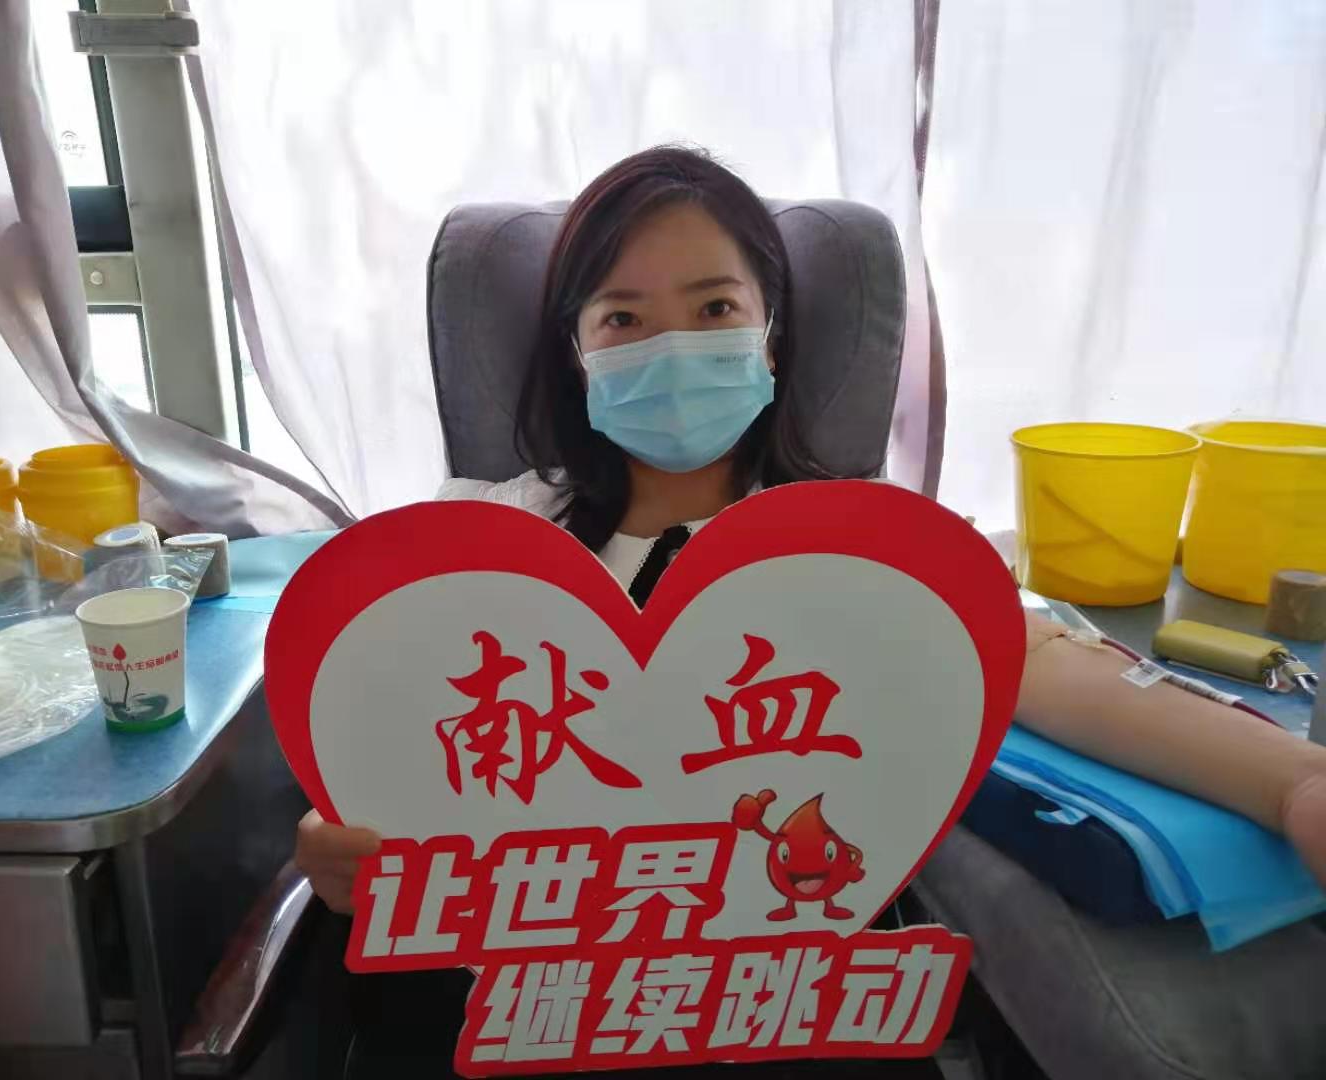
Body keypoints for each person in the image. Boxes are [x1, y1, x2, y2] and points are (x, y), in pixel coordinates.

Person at [295, 146, 1326, 1073]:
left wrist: (1293, 784)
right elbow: (392, 740)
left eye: (714, 310)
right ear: (577, 350)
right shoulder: (487, 535)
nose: (672, 347)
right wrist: (345, 837)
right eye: (624, 319)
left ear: (771, 336)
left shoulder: (857, 539)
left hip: (786, 992)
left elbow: (1037, 660)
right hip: (539, 996)